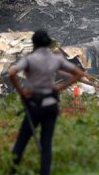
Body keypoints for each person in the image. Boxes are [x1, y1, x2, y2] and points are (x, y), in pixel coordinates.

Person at [8, 30, 84, 175]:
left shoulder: (30, 59)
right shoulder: (56, 59)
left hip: (34, 105)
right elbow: (79, 74)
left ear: (34, 44)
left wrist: (22, 91)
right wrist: (60, 88)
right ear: (48, 44)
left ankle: (12, 171)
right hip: (51, 104)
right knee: (46, 143)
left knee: (22, 140)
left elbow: (12, 72)